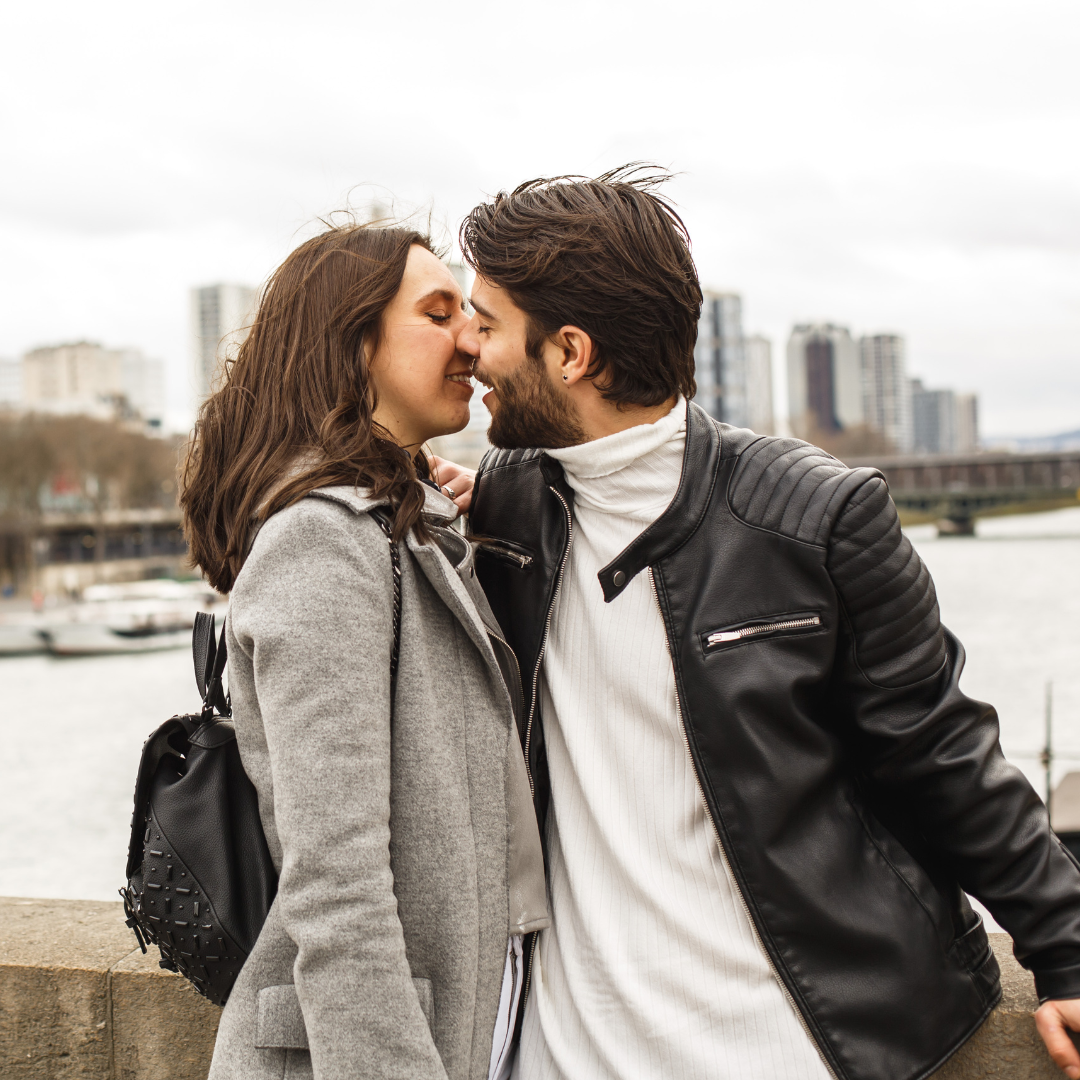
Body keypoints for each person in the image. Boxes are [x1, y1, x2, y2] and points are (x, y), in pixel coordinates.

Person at [444, 167, 1080, 1080]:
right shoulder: (503, 513)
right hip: (559, 1055)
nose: (468, 345)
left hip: (784, 1049)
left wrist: (1066, 949)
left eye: (488, 321)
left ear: (571, 353)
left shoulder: (815, 515)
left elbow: (937, 750)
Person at [180, 222, 548, 1080]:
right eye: (437, 312)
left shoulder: (399, 530)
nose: (470, 339)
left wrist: (452, 512)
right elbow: (336, 886)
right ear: (355, 344)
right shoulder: (321, 541)